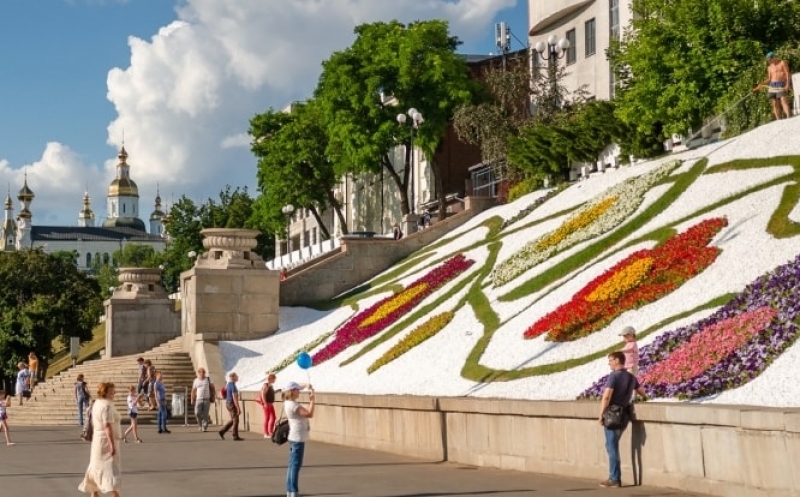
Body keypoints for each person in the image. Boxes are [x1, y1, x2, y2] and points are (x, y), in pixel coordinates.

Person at [597, 351, 646, 488]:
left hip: (613, 414)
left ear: (618, 360)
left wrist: (601, 414)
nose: (609, 363)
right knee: (612, 445)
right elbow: (642, 392)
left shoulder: (614, 376)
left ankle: (614, 478)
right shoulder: (631, 377)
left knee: (612, 446)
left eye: (611, 360)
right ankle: (614, 476)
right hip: (625, 415)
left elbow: (606, 397)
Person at [78, 382, 122, 497]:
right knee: (111, 472)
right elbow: (107, 426)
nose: (114, 393)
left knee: (96, 467)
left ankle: (95, 493)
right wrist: (112, 445)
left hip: (97, 441)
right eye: (112, 391)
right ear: (106, 392)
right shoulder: (107, 406)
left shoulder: (97, 403)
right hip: (105, 441)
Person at [283, 381, 315, 497]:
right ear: (292, 391)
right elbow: (309, 414)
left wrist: (307, 385)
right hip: (297, 438)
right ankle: (293, 491)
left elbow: (299, 385)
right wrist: (312, 400)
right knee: (295, 465)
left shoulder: (288, 402)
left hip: (295, 437)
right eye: (297, 389)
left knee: (292, 465)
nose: (299, 391)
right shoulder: (293, 404)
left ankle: (290, 490)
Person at [755, 52, 792, 120]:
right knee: (775, 103)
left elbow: (787, 73)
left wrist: (787, 84)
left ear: (774, 57)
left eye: (770, 60)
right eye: (768, 60)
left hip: (781, 83)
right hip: (772, 85)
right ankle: (778, 119)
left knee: (783, 100)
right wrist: (762, 84)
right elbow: (769, 79)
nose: (769, 61)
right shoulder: (769, 67)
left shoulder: (782, 63)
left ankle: (789, 117)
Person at [218, 372, 243, 441]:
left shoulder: (228, 384)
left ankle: (222, 431)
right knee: (236, 420)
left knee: (233, 419)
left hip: (228, 403)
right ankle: (235, 435)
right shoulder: (233, 386)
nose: (237, 377)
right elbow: (235, 398)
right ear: (233, 377)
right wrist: (238, 408)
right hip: (231, 403)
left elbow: (224, 392)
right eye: (236, 376)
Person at [191, 367, 215, 432]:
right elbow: (193, 390)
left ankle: (204, 427)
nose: (203, 373)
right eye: (201, 372)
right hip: (198, 399)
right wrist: (192, 399)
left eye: (204, 372)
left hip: (206, 399)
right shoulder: (195, 380)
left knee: (205, 414)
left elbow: (212, 388)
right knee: (197, 413)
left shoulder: (208, 379)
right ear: (198, 373)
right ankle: (200, 425)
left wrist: (213, 396)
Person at [258, 373, 277, 438]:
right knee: (267, 418)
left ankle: (270, 431)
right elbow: (263, 394)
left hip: (270, 403)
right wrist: (265, 403)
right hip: (267, 404)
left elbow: (271, 393)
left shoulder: (270, 385)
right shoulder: (265, 385)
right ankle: (266, 433)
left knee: (274, 417)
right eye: (274, 379)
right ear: (271, 379)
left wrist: (278, 391)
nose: (275, 380)